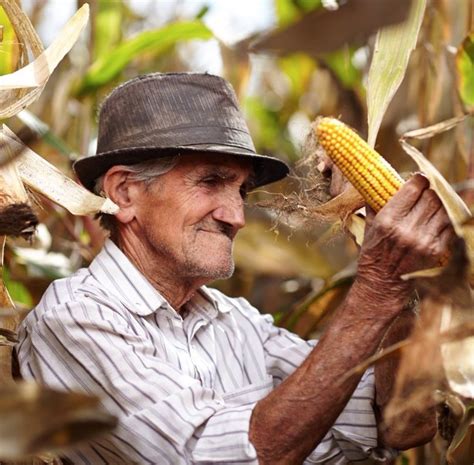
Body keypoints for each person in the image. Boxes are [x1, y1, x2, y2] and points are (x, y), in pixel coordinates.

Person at [16, 73, 452, 464]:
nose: (236, 216)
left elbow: (400, 423)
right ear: (125, 192)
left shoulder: (237, 322)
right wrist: (376, 288)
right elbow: (237, 457)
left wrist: (405, 282)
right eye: (210, 181)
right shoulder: (75, 320)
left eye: (240, 190)